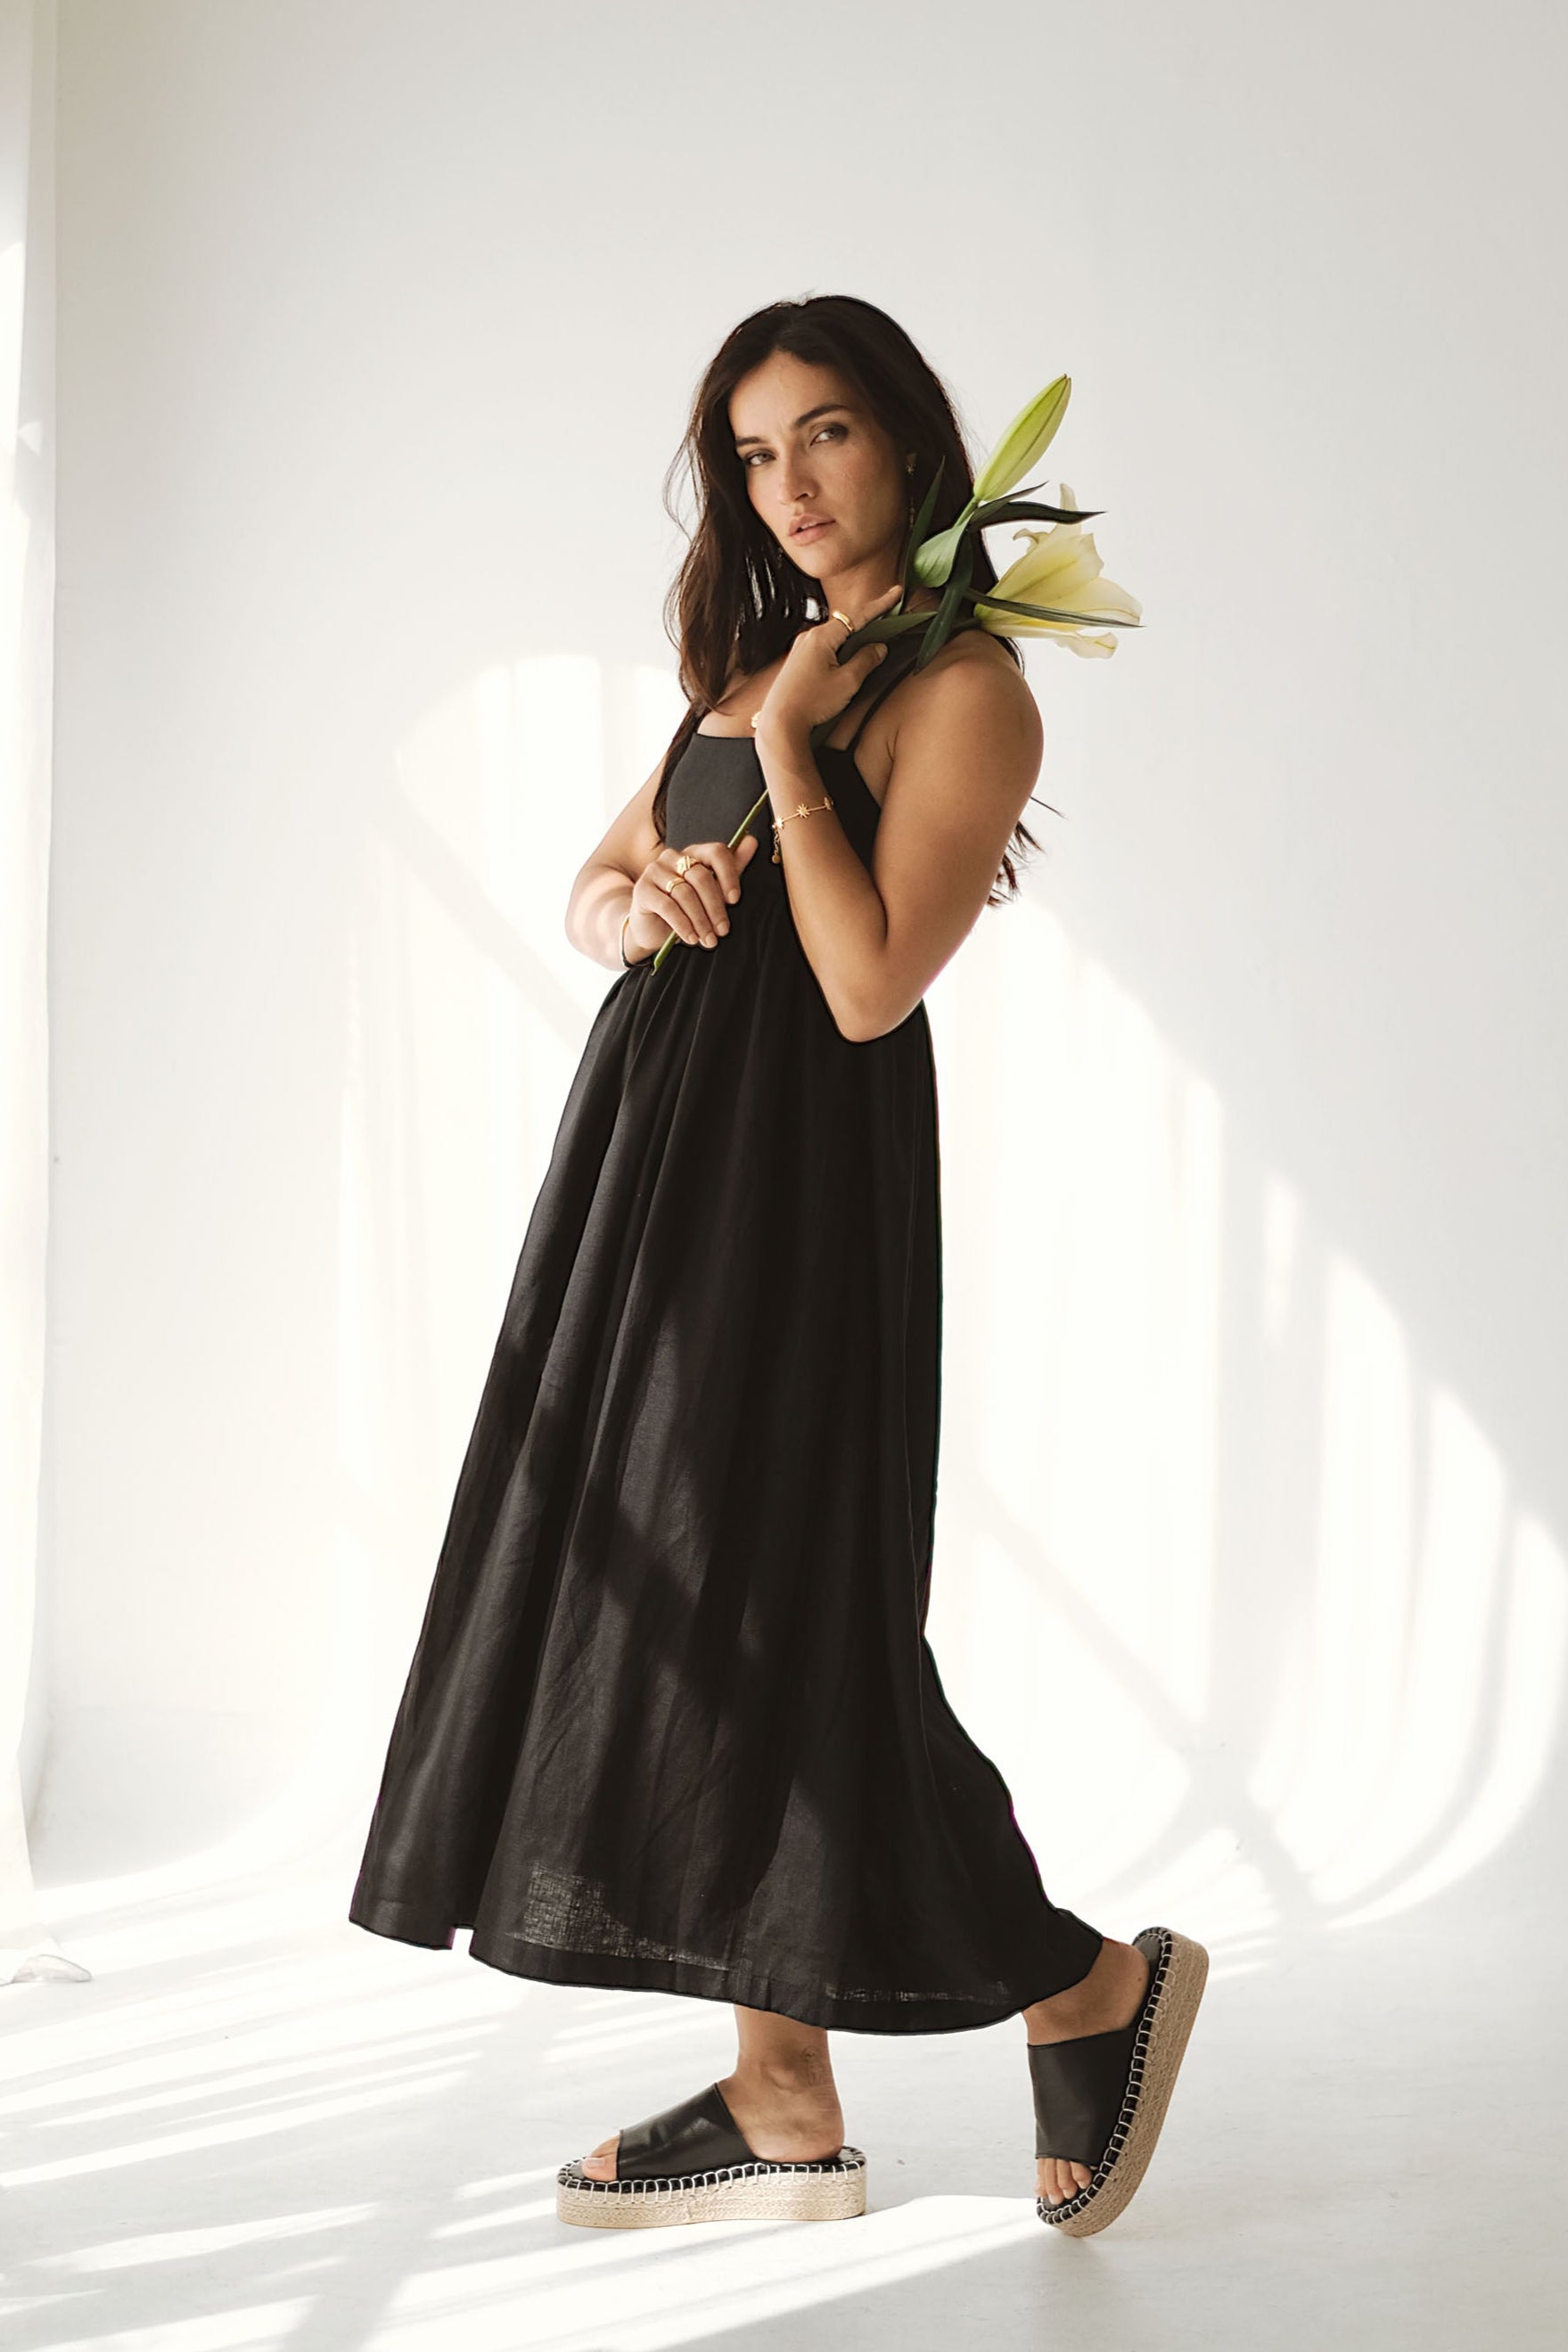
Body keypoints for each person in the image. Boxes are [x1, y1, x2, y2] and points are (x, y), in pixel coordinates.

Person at [348, 293, 1206, 2237]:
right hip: (649, 1165)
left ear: (906, 441)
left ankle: (1080, 1980)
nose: (788, 484)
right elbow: (593, 884)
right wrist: (627, 891)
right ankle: (782, 2087)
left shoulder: (958, 687)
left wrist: (808, 738)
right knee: (705, 1607)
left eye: (821, 435)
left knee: (794, 1610)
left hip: (795, 1190)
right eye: (751, 451)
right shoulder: (747, 657)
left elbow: (863, 976)